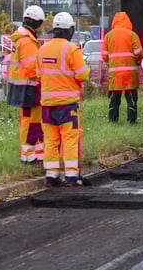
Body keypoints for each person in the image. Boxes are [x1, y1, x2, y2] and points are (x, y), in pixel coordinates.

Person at [36, 12, 90, 187]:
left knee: (51, 141)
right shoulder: (72, 49)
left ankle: (52, 176)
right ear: (70, 30)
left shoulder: (42, 49)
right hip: (67, 105)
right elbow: (81, 75)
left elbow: (38, 75)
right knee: (69, 140)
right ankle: (71, 177)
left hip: (47, 106)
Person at [7, 5, 45, 165]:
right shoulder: (28, 41)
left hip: (21, 86)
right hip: (30, 86)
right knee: (32, 122)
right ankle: (29, 156)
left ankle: (33, 154)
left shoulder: (20, 37)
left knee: (27, 121)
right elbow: (32, 68)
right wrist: (44, 80)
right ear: (38, 23)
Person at [101, 12, 143, 124]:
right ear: (128, 22)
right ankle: (131, 121)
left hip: (115, 75)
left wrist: (111, 63)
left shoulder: (108, 36)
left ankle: (113, 121)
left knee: (115, 99)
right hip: (130, 74)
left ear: (114, 22)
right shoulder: (132, 35)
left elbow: (104, 56)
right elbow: (138, 53)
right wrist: (138, 62)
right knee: (131, 99)